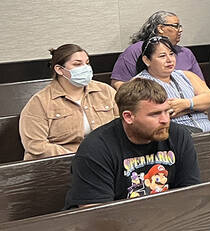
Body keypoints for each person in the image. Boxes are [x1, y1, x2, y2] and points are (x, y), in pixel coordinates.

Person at [63, 78, 200, 208]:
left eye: (166, 111)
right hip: (114, 226)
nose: (165, 120)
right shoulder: (96, 148)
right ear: (128, 117)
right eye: (155, 114)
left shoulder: (178, 135)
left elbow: (191, 194)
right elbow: (96, 216)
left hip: (168, 220)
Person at [19, 44, 118, 159]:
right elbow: (35, 144)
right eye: (77, 64)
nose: (85, 68)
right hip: (61, 164)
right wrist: (77, 157)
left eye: (87, 63)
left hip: (106, 157)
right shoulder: (40, 102)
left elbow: (122, 124)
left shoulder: (105, 91)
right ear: (60, 70)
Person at [133, 36, 210, 133]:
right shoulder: (140, 83)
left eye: (171, 54)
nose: (169, 60)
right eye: (162, 56)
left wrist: (186, 104)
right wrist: (198, 107)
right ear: (147, 60)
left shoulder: (187, 75)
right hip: (175, 136)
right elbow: (160, 113)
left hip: (209, 131)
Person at [110, 10, 203, 87]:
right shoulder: (135, 51)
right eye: (176, 26)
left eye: (171, 54)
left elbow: (202, 86)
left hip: (188, 103)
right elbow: (118, 84)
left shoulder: (186, 53)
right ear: (160, 28)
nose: (180, 30)